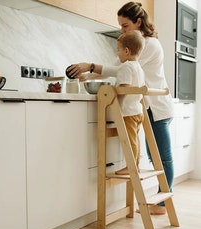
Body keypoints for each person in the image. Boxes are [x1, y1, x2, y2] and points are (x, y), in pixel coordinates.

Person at [68, 2, 174, 215]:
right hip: (146, 105)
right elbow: (117, 66)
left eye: (125, 26)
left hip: (156, 106)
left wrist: (90, 66)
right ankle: (162, 201)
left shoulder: (148, 44)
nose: (122, 30)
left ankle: (163, 203)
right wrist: (88, 75)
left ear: (138, 22)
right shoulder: (135, 44)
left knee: (161, 157)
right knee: (155, 156)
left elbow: (119, 69)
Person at [114, 30, 145, 176]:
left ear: (126, 51)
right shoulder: (138, 66)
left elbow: (124, 88)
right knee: (135, 140)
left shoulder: (126, 66)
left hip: (128, 112)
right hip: (138, 111)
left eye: (118, 50)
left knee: (130, 141)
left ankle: (132, 166)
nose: (118, 54)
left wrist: (113, 96)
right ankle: (135, 165)